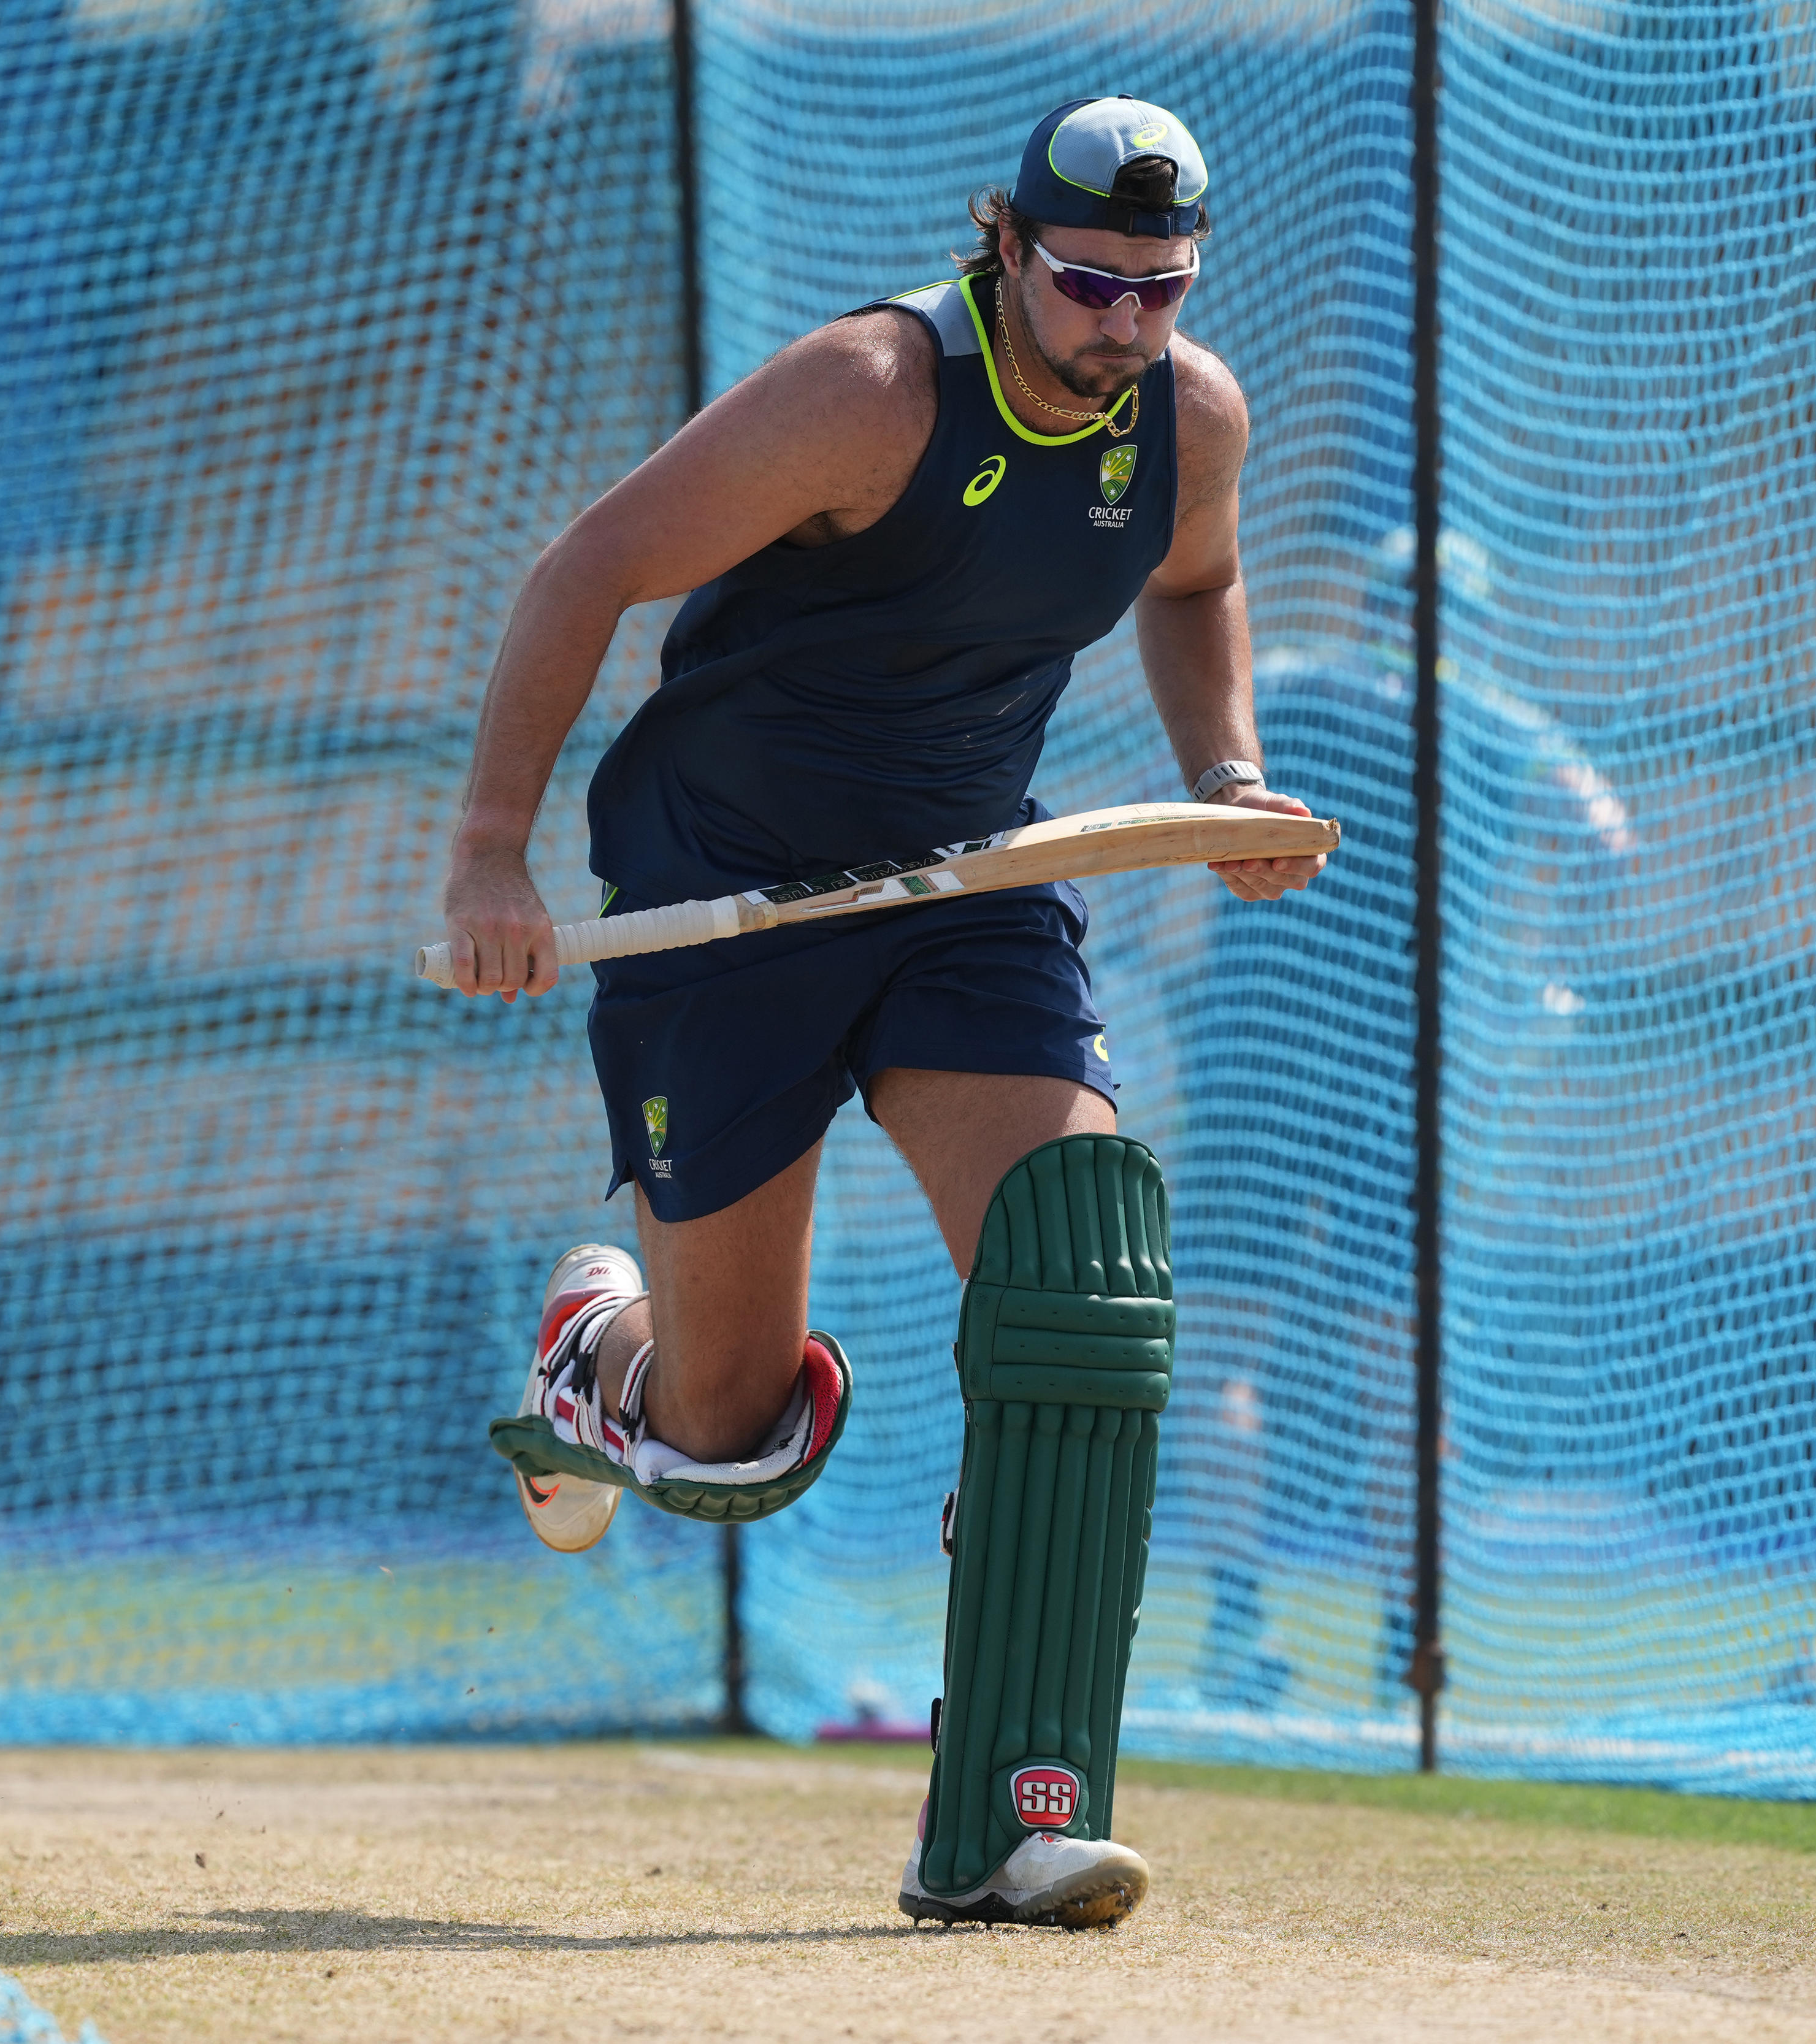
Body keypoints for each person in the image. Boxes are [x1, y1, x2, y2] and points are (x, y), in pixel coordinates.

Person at [436, 95, 1325, 1929]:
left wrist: (1222, 770)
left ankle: (1011, 1818)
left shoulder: (1191, 418)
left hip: (961, 892)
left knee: (1080, 1279)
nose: (1125, 328)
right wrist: (487, 863)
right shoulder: (870, 392)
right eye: (1088, 284)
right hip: (720, 897)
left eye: (1161, 291)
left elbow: (1201, 578)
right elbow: (586, 568)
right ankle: (599, 1359)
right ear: (1007, 247)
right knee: (736, 1436)